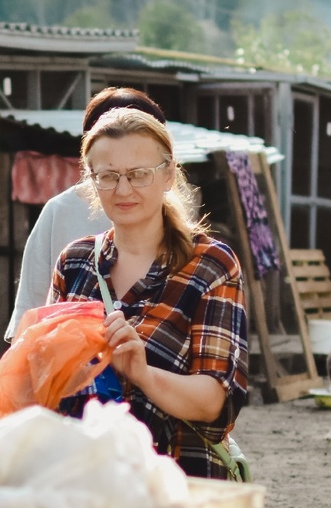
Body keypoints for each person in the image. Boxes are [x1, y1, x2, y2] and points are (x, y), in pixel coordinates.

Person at [49, 102, 249, 478]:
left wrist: (142, 373)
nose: (123, 189)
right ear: (91, 180)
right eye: (107, 176)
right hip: (84, 487)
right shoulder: (73, 263)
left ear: (169, 174)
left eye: (139, 174)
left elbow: (213, 401)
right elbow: (47, 382)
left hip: (179, 487)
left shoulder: (211, 265)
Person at [4, 88, 167, 341]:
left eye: (139, 172)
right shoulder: (61, 216)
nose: (124, 189)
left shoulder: (194, 241)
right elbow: (30, 321)